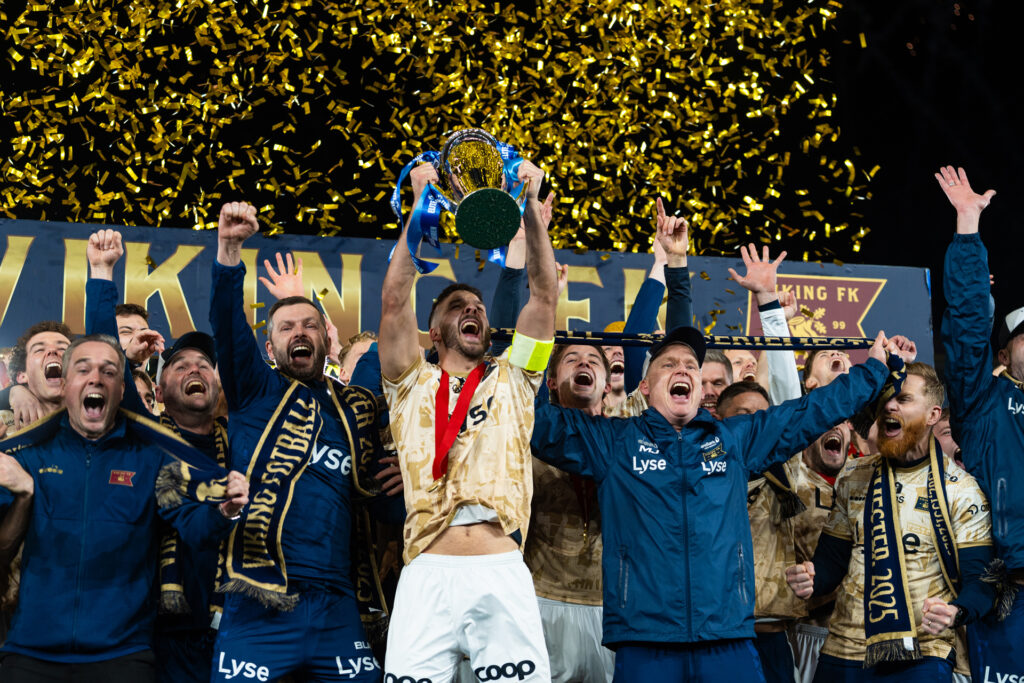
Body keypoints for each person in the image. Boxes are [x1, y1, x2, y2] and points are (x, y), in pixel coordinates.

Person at [531, 306, 895, 682]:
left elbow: (810, 411)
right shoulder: (614, 442)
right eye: (668, 364)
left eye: (691, 365)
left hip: (727, 638)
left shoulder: (734, 439)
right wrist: (537, 314)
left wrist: (873, 370)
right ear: (645, 387)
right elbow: (532, 416)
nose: (683, 369)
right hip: (644, 641)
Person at [378, 156, 557, 682]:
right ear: (434, 333)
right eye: (457, 306)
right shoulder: (408, 383)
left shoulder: (517, 377)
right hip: (425, 573)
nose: (472, 309)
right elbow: (394, 300)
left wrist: (530, 206)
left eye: (477, 306)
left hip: (500, 571)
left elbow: (544, 295)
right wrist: (420, 206)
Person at [209, 201, 400, 682]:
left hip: (338, 604)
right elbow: (228, 325)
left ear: (327, 340)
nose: (300, 332)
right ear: (269, 347)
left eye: (310, 325)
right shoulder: (255, 390)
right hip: (259, 599)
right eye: (286, 327)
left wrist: (408, 476)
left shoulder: (353, 408)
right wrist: (229, 250)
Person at [0, 334, 248, 682]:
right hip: (30, 654)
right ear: (65, 385)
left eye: (109, 371)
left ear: (121, 391)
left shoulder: (151, 459)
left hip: (122, 656)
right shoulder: (27, 455)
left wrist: (225, 510)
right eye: (83, 369)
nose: (95, 379)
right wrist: (24, 493)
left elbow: (194, 526)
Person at [785, 362, 994, 683]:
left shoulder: (961, 490)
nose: (890, 406)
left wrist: (956, 611)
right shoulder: (853, 475)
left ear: (933, 415)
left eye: (904, 399)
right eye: (886, 399)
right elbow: (831, 563)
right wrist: (812, 578)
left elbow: (981, 581)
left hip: (922, 652)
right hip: (844, 649)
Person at [85, 228, 231, 683]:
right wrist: (102, 273)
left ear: (218, 385)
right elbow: (103, 354)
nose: (194, 369)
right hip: (159, 630)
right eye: (180, 365)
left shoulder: (245, 442)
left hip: (236, 624)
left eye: (204, 365)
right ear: (160, 392)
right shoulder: (146, 437)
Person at [937, 164, 1024, 681]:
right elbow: (968, 325)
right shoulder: (984, 401)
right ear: (1004, 353)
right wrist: (968, 225)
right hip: (1007, 596)